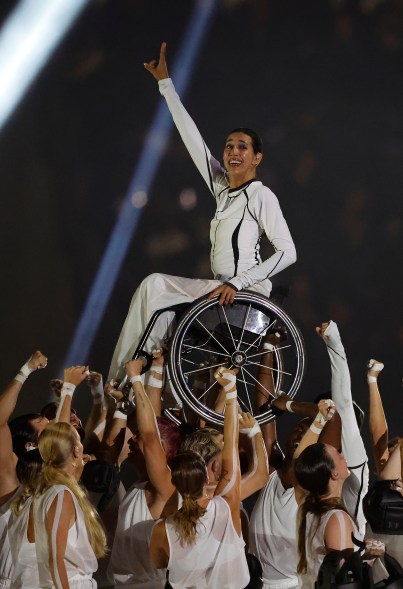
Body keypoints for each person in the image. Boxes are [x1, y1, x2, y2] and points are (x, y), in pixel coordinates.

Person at [108, 42, 296, 381]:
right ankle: (135, 384)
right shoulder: (224, 190)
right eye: (229, 145)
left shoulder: (260, 195)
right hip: (220, 292)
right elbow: (193, 141)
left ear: (257, 158)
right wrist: (166, 86)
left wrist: (239, 284)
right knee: (161, 311)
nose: (233, 151)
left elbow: (288, 252)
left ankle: (118, 380)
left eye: (242, 147)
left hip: (244, 299)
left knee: (154, 286)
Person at [150, 367, 250, 589]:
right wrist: (231, 392)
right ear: (206, 475)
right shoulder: (225, 507)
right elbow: (231, 448)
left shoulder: (162, 529)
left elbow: (158, 563)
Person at [33, 422, 107, 589]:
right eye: (80, 441)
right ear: (76, 450)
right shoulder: (61, 495)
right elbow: (55, 558)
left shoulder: (49, 491)